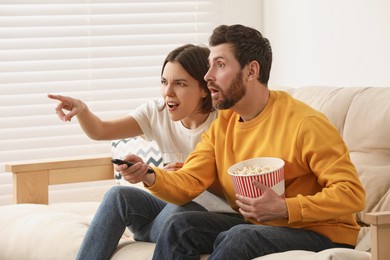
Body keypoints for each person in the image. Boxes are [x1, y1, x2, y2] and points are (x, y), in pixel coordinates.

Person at [120, 24, 366, 259]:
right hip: (259, 224)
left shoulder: (305, 123)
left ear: (251, 71)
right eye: (209, 66)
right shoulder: (224, 124)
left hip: (320, 232)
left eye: (220, 65)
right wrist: (148, 174)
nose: (207, 76)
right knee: (179, 225)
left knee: (240, 237)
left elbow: (352, 194)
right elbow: (191, 180)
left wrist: (285, 208)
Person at [48, 44, 225, 259]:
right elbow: (101, 130)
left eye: (180, 83)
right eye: (164, 82)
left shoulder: (225, 122)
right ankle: (145, 233)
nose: (168, 92)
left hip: (207, 214)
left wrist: (194, 178)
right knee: (118, 196)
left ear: (205, 89)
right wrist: (83, 111)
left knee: (182, 210)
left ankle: (145, 232)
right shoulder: (156, 112)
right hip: (170, 206)